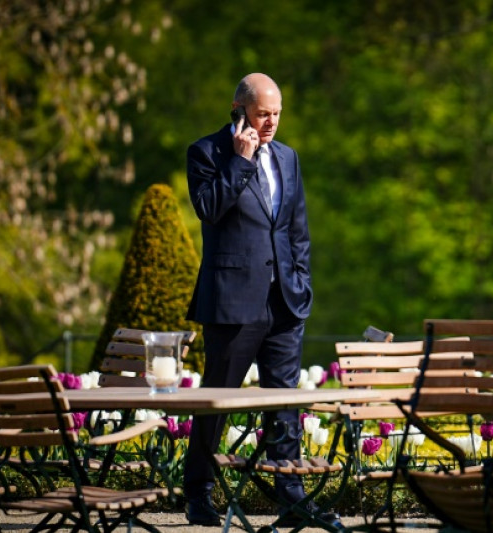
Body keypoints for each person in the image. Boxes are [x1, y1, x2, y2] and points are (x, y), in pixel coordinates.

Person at [183, 73, 334, 527]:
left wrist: (301, 281)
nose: (271, 123)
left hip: (285, 302)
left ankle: (291, 496)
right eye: (263, 114)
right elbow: (208, 209)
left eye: (277, 114)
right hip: (232, 302)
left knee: (284, 400)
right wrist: (241, 160)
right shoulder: (207, 152)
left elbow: (296, 229)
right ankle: (198, 494)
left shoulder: (288, 158)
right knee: (218, 399)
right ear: (239, 110)